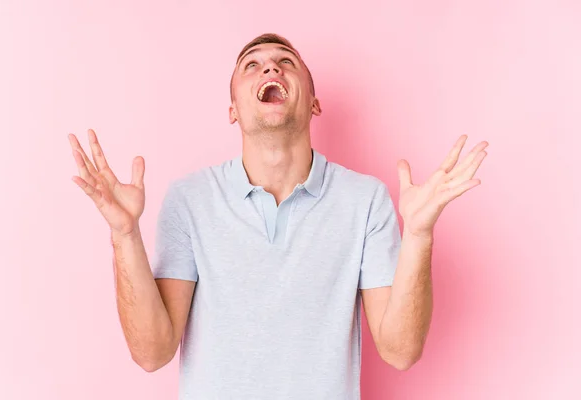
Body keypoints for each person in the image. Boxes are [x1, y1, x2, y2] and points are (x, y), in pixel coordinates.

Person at [68, 33, 488, 399]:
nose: (270, 65)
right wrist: (124, 234)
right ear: (233, 109)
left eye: (286, 62)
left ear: (314, 102)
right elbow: (152, 353)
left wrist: (418, 234)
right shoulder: (189, 199)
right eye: (252, 65)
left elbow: (400, 350)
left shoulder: (366, 200)